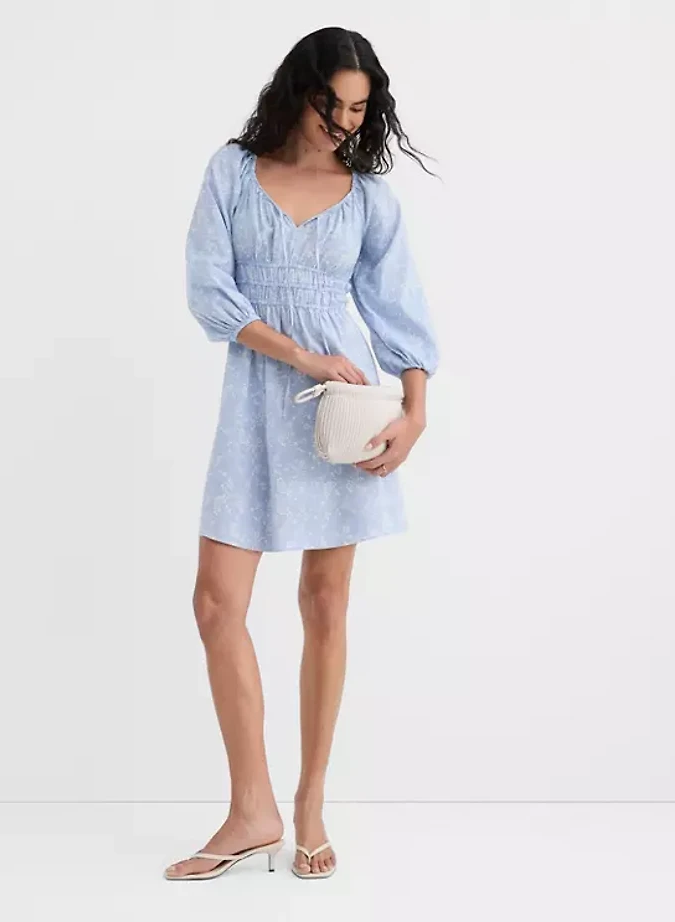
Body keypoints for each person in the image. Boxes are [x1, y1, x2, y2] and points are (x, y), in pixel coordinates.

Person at [164, 26, 440, 881]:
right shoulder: (231, 172)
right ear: (297, 90)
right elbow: (209, 291)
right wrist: (297, 354)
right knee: (217, 603)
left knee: (325, 603)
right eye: (332, 104)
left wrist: (416, 414)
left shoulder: (368, 199)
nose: (344, 123)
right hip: (258, 399)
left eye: (359, 110)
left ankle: (310, 803)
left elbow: (399, 312)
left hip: (342, 414)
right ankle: (252, 808)